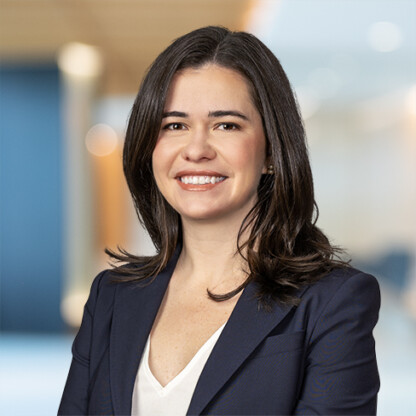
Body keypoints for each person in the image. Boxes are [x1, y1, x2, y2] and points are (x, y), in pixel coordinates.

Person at [58, 26, 380, 415]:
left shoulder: (332, 302)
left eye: (226, 125)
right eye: (174, 125)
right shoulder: (111, 295)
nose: (196, 149)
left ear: (271, 152)